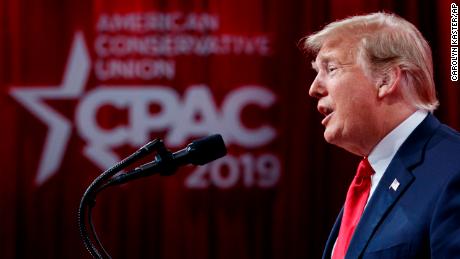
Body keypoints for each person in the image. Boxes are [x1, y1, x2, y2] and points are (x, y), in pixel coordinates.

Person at [301, 12, 460, 258]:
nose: (314, 88)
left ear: (385, 79)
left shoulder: (453, 170)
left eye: (331, 69)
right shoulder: (371, 177)